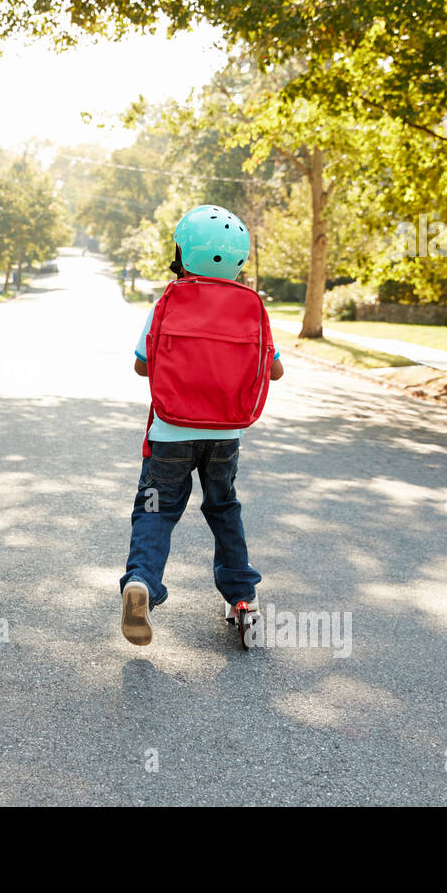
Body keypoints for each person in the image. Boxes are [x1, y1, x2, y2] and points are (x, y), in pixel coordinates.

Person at [119, 206, 284, 646]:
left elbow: (141, 366)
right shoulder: (250, 307)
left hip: (170, 433)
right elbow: (275, 370)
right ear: (240, 260)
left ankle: (141, 582)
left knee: (155, 509)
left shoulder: (169, 301)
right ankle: (241, 598)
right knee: (223, 508)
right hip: (225, 436)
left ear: (182, 252)